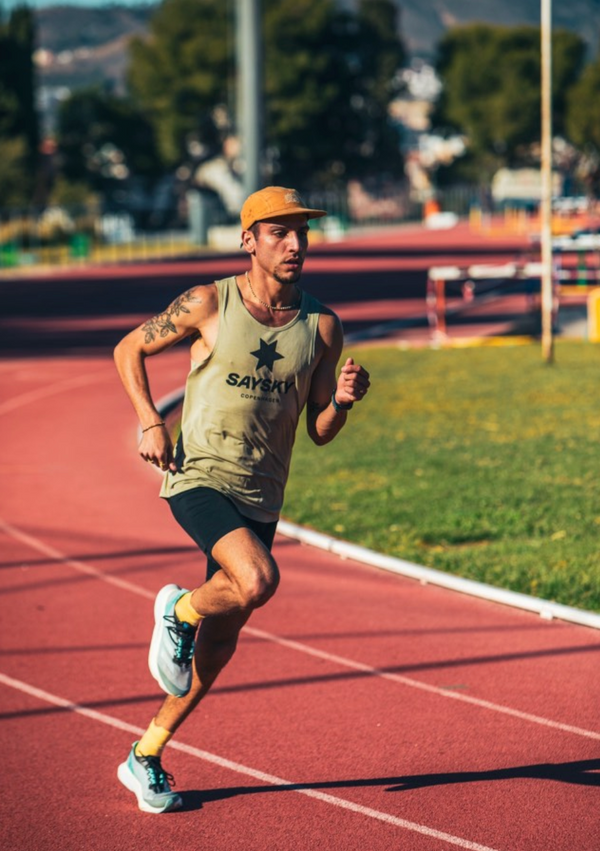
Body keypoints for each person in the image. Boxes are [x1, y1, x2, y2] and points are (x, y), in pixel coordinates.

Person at [113, 186, 370, 813]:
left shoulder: (322, 326)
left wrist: (341, 401)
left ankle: (144, 755)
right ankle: (176, 610)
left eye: (301, 232)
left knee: (218, 648)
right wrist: (151, 420)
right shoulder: (209, 302)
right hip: (198, 475)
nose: (295, 243)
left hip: (261, 496)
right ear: (248, 239)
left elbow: (319, 431)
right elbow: (129, 348)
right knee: (256, 579)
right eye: (279, 232)